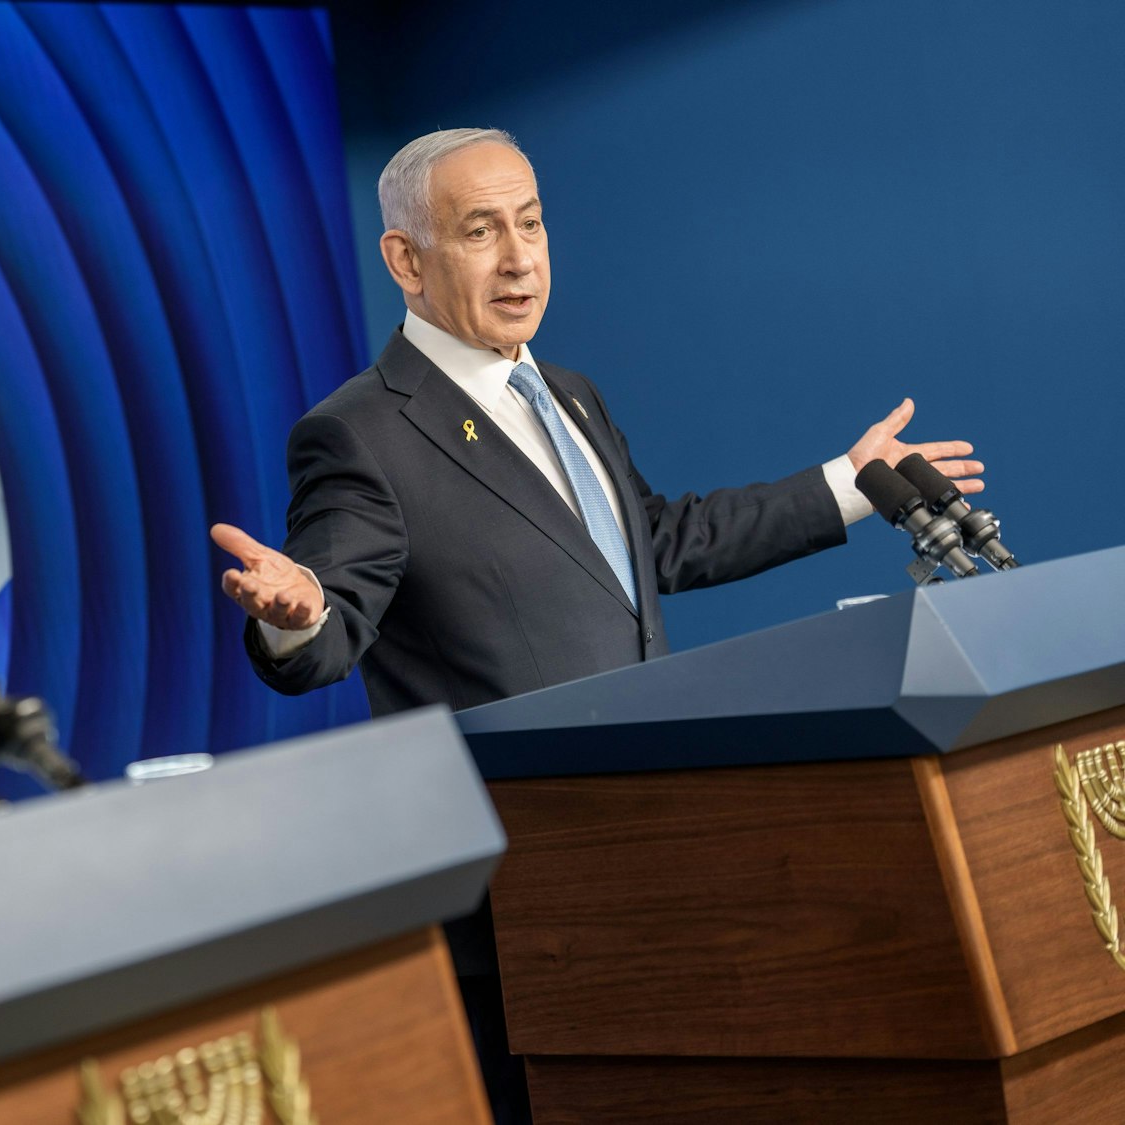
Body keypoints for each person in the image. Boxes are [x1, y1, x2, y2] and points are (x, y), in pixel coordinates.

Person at [210, 128, 983, 1122]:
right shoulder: (358, 433)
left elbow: (656, 544)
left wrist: (846, 485)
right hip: (527, 900)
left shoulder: (568, 394)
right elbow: (328, 623)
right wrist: (300, 613)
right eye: (479, 231)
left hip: (653, 858)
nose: (520, 255)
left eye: (529, 222)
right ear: (405, 261)